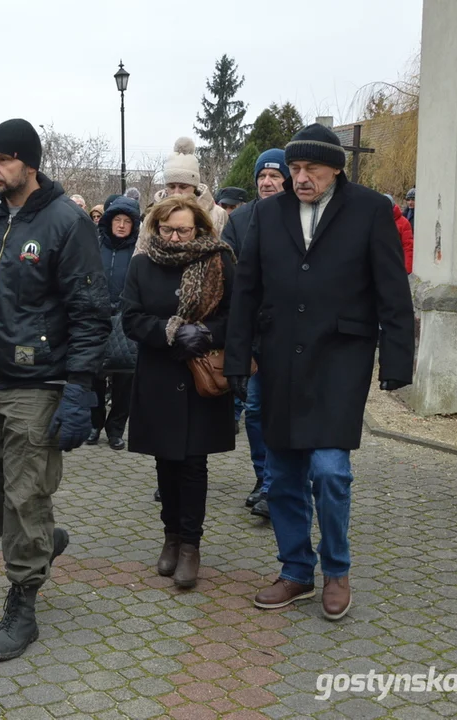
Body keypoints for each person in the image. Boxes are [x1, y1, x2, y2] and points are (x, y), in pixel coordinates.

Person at [225, 123, 415, 621]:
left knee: (330, 472)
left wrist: (396, 361)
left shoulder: (372, 211)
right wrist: (236, 357)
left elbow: (392, 292)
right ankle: (295, 571)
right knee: (283, 476)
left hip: (340, 361)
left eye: (310, 168)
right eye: (293, 168)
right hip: (279, 359)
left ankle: (336, 569)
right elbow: (245, 291)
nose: (300, 177)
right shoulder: (266, 214)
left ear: (335, 168)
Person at [0, 118, 111, 661]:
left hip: (39, 382)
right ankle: (40, 540)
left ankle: (22, 602)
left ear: (29, 164)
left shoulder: (66, 223)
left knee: (24, 493)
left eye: (3, 160)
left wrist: (80, 391)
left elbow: (90, 315)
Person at [121, 195, 236, 589]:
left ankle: (191, 545)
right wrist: (169, 332)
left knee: (192, 464)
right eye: (166, 229)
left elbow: (236, 316)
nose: (173, 237)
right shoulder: (141, 263)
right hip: (158, 373)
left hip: (200, 375)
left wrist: (204, 333)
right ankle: (170, 537)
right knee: (165, 463)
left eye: (182, 230)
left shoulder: (219, 260)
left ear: (199, 228)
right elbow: (131, 318)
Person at [221, 147, 291, 519]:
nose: (267, 182)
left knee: (285, 411)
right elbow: (231, 283)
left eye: (275, 176)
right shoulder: (240, 220)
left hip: (293, 336)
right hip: (255, 335)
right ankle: (265, 480)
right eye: (262, 177)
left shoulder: (301, 216)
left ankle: (281, 483)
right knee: (256, 410)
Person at [87, 196, 140, 450]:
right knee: (95, 377)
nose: (120, 225)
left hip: (127, 321)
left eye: (126, 221)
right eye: (116, 220)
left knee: (124, 380)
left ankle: (116, 429)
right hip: (96, 320)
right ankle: (94, 423)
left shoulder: (138, 251)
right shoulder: (95, 246)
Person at [153, 138, 228, 238]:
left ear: (194, 187)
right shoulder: (153, 214)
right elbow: (142, 248)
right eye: (171, 186)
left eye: (183, 187)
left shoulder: (218, 215)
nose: (176, 193)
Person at [385, 194, 414, 274]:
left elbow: (408, 247)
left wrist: (407, 270)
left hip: (397, 265)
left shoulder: (404, 223)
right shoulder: (378, 221)